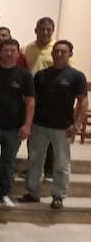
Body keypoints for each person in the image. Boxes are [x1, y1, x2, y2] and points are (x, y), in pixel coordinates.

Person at [19, 40, 87, 209]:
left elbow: (83, 102)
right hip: (39, 125)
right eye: (56, 51)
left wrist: (77, 124)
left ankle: (58, 195)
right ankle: (32, 192)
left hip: (63, 127)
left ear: (70, 54)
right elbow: (31, 100)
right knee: (35, 160)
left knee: (61, 164)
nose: (58, 54)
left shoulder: (76, 76)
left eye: (63, 52)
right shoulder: (41, 75)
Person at [0, 38, 35, 207]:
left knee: (8, 163)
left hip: (14, 127)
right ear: (0, 52)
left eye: (13, 50)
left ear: (18, 53)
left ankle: (4, 193)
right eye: (6, 50)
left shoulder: (25, 75)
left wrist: (27, 124)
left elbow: (30, 101)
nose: (9, 54)